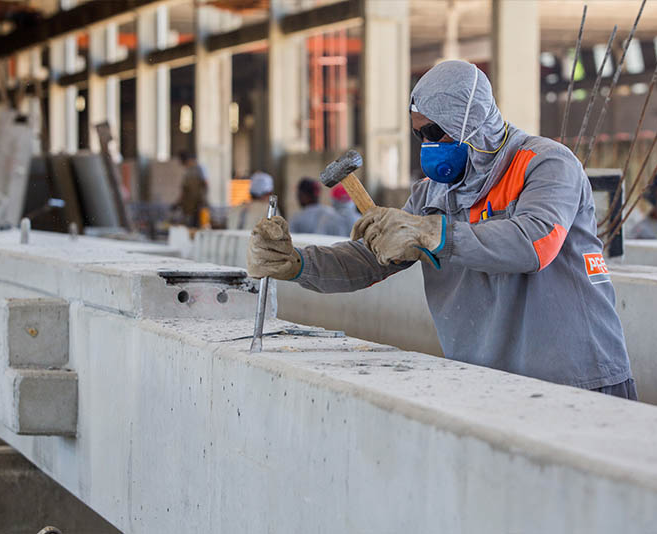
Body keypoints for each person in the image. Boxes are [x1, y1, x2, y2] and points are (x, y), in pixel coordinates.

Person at [247, 60, 636, 399]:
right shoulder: (433, 193)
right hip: (493, 386)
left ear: (471, 120)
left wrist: (435, 234)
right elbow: (370, 260)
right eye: (420, 136)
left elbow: (534, 245)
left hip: (579, 378)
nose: (428, 146)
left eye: (436, 133)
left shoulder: (545, 164)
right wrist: (298, 264)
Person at [173, 150, 208, 227]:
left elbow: (205, 185)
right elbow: (185, 190)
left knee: (197, 225)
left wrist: (203, 200)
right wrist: (178, 202)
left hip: (198, 205)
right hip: (188, 207)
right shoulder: (188, 172)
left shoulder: (199, 169)